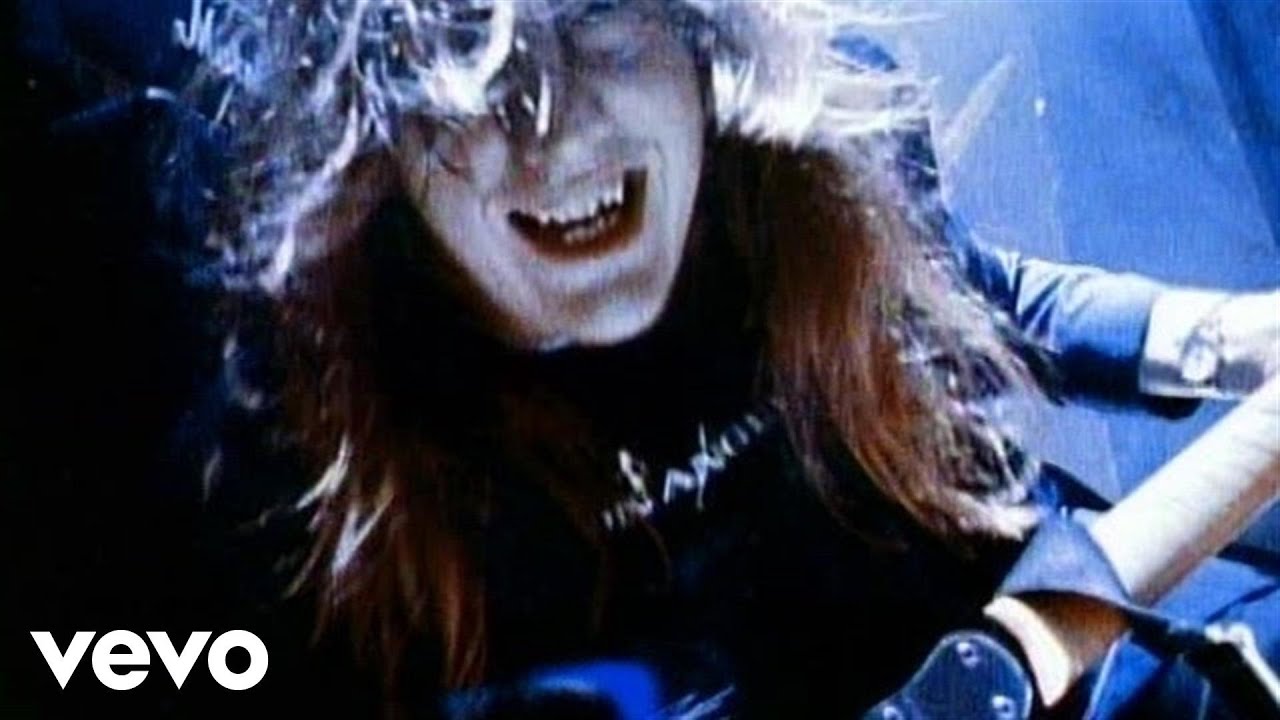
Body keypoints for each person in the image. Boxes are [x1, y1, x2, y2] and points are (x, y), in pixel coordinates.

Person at [8, 1, 1278, 718]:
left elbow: (955, 290)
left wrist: (1213, 337)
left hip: (1071, 645)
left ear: (696, 45)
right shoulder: (301, 453)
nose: (552, 132)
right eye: (465, 78)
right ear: (377, 153)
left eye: (596, 21)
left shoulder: (802, 166)